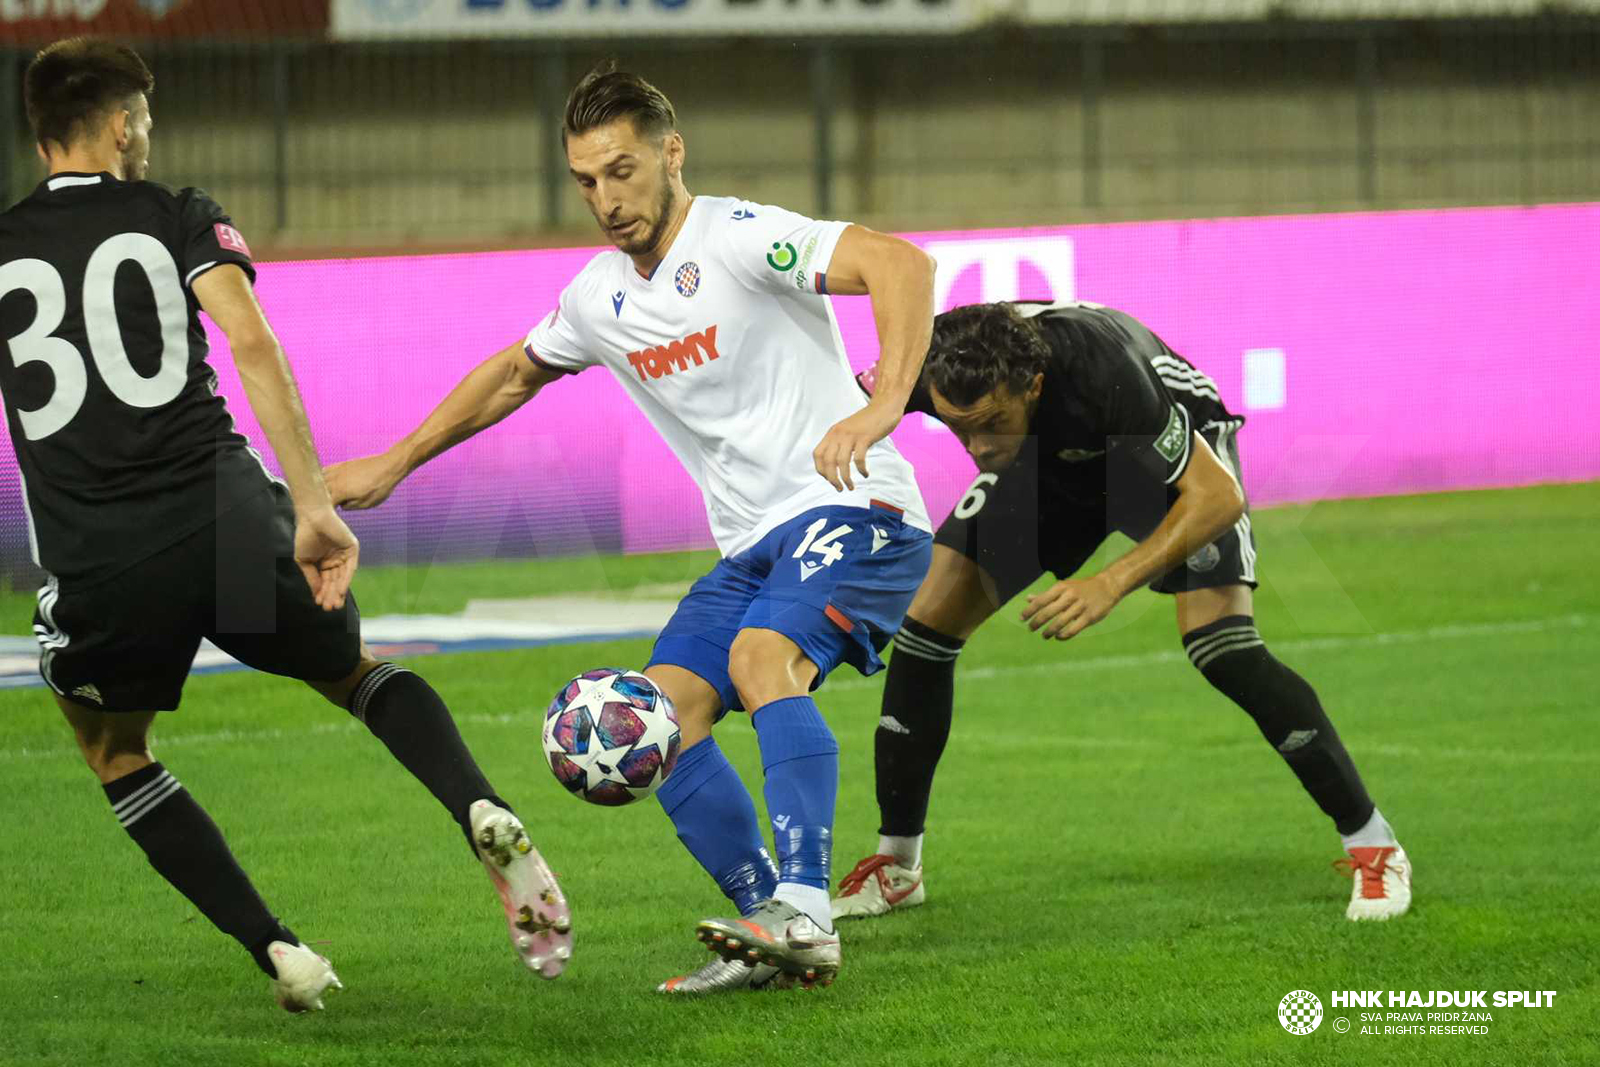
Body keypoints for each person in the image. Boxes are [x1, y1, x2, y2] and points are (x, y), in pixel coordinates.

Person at [326, 64, 937, 994]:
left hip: (860, 511)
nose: (606, 199)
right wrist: (395, 461)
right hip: (754, 545)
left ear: (670, 153)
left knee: (761, 658)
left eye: (621, 170)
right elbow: (513, 374)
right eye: (586, 180)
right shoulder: (598, 298)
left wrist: (885, 402)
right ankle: (767, 915)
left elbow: (902, 263)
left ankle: (809, 911)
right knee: (654, 714)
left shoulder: (737, 236)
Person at [0, 38, 570, 1013]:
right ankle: (481, 802)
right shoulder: (176, 214)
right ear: (122, 122)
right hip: (223, 518)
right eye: (144, 116)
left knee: (115, 749)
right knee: (355, 673)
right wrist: (311, 506)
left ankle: (281, 951)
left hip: (101, 554)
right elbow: (252, 343)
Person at [831, 300, 1412, 924]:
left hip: (1170, 462)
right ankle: (897, 866)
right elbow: (829, 418)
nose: (975, 446)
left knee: (1225, 651)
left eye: (990, 423)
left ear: (1034, 383)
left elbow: (1218, 496)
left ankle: (1374, 845)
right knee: (925, 633)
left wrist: (1110, 583)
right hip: (1044, 468)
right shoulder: (921, 367)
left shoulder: (1104, 372)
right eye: (957, 426)